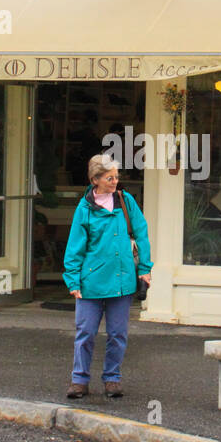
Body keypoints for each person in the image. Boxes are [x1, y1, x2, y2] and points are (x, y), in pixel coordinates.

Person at [61, 154, 152, 398]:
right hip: (90, 282)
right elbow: (75, 246)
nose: (115, 182)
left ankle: (112, 378)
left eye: (116, 177)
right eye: (109, 178)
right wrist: (72, 279)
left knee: (118, 334)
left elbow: (141, 234)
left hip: (123, 281)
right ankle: (79, 380)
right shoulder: (85, 208)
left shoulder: (125, 200)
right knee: (85, 333)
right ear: (95, 180)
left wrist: (144, 268)